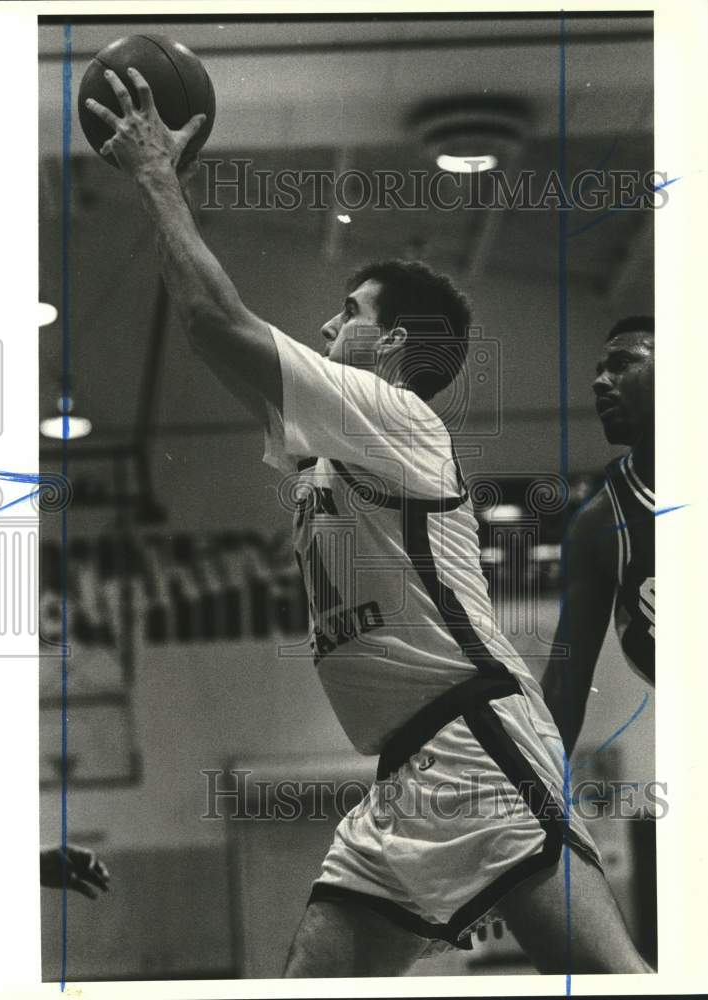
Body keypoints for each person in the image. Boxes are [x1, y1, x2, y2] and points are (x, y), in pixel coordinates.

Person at [86, 69, 650, 975]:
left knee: (607, 982)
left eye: (346, 312)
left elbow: (214, 323)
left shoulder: (393, 419)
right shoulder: (327, 444)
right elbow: (203, 324)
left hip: (475, 740)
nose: (322, 322)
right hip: (411, 767)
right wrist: (163, 197)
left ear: (389, 346)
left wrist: (157, 177)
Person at [540, 317, 654, 756]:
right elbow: (563, 690)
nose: (600, 382)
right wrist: (537, 801)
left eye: (622, 363)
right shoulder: (598, 527)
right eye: (597, 371)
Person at [40, 844, 110, 900]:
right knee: (74, 880)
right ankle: (88, 886)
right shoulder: (50, 854)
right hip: (64, 861)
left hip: (69, 862)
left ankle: (91, 886)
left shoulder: (86, 859)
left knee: (75, 880)